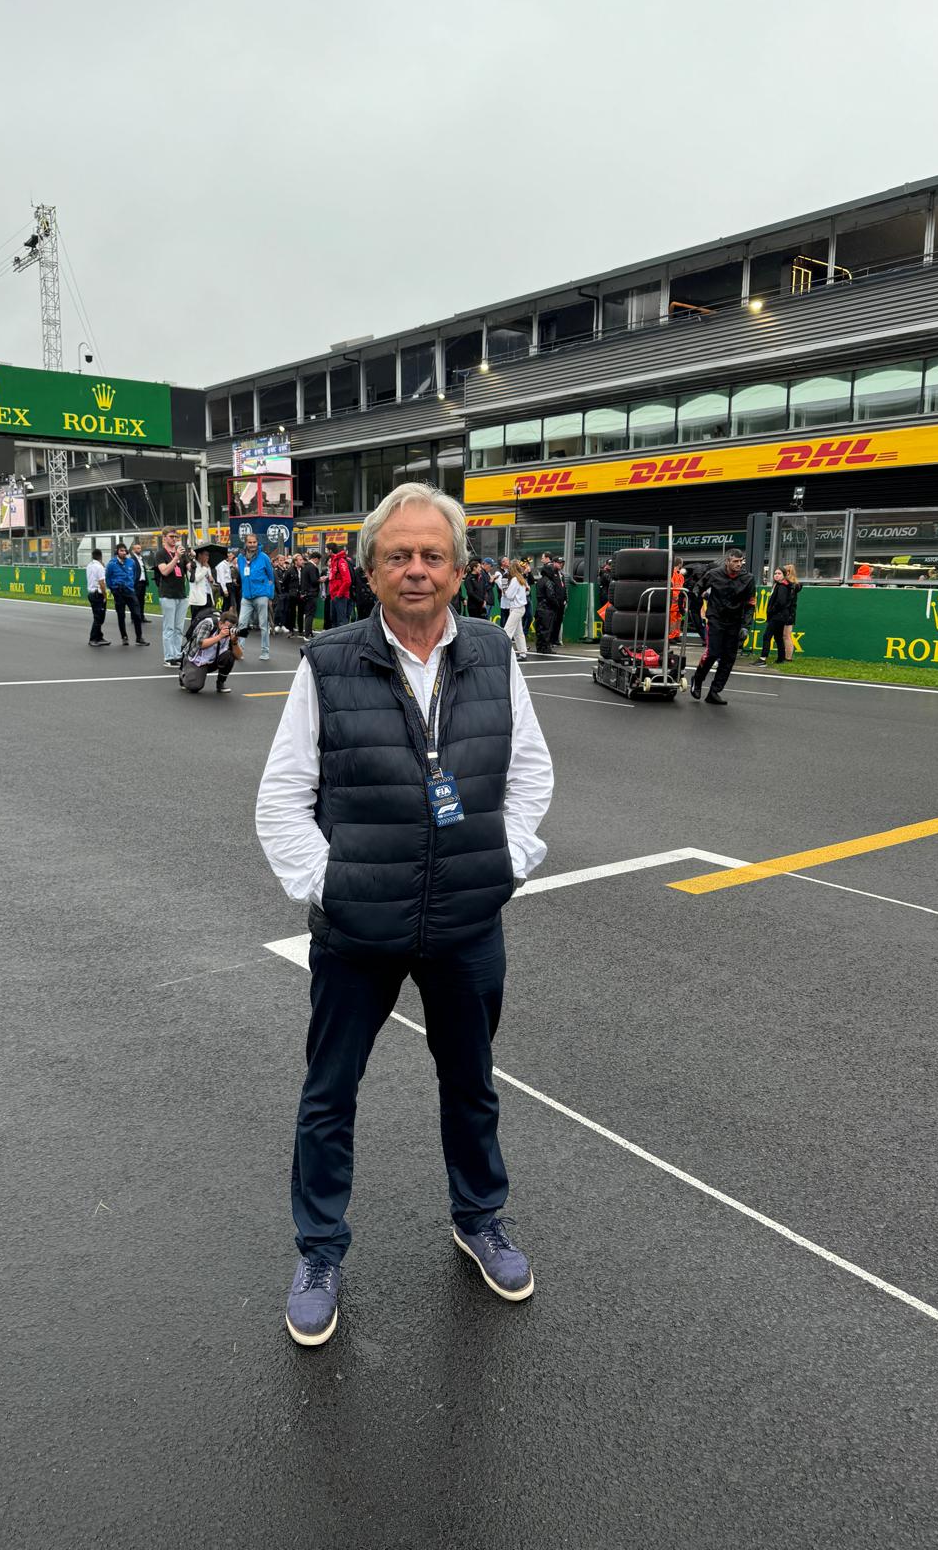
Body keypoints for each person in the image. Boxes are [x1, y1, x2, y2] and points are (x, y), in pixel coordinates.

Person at [256, 481, 553, 1347]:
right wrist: (334, 887)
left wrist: (505, 864)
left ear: (458, 570)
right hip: (358, 931)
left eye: (431, 555)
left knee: (471, 1084)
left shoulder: (494, 653)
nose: (415, 569)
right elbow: (282, 799)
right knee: (328, 1094)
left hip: (466, 923)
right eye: (398, 555)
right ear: (371, 570)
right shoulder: (327, 663)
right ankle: (319, 1252)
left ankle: (480, 1217)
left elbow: (530, 775)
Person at [689, 549, 756, 705]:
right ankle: (697, 679)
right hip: (716, 618)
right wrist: (698, 595)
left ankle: (714, 691)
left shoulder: (748, 578)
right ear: (727, 561)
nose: (739, 564)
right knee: (713, 653)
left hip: (735, 621)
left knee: (729, 658)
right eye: (735, 561)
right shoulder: (714, 574)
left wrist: (746, 626)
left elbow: (751, 604)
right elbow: (698, 587)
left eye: (741, 561)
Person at [179, 607, 238, 694]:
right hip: (196, 659)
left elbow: (239, 656)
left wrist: (234, 642)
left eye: (232, 627)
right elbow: (201, 644)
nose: (230, 629)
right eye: (228, 627)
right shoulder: (208, 623)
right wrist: (219, 636)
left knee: (229, 656)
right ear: (220, 623)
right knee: (194, 687)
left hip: (212, 658)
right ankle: (184, 675)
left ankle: (220, 683)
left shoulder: (229, 632)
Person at [152, 529, 189, 668]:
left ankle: (177, 654)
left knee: (179, 628)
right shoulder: (160, 554)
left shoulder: (181, 552)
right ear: (164, 538)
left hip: (181, 594)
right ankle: (169, 657)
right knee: (169, 628)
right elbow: (165, 571)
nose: (174, 539)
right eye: (171, 536)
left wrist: (193, 558)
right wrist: (176, 557)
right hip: (167, 594)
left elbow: (189, 568)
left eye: (176, 537)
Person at [237, 533, 275, 660]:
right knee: (242, 623)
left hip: (261, 595)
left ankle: (265, 652)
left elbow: (271, 578)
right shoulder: (240, 557)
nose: (252, 544)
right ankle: (240, 651)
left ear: (257, 543)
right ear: (246, 543)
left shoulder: (264, 557)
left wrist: (269, 595)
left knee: (263, 625)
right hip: (246, 596)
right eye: (250, 542)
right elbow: (242, 575)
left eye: (254, 542)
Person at [106, 543, 148, 647]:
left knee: (137, 614)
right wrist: (113, 589)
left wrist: (130, 585)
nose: (124, 552)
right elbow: (108, 578)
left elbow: (134, 575)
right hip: (118, 592)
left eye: (125, 551)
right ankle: (124, 637)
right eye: (121, 551)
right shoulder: (111, 564)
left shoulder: (131, 562)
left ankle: (139, 638)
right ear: (117, 552)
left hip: (130, 591)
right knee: (121, 615)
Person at [755, 566, 794, 666]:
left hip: (777, 616)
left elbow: (781, 602)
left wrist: (771, 610)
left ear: (784, 575)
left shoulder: (782, 586)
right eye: (775, 573)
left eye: (779, 573)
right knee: (778, 637)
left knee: (767, 636)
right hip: (780, 616)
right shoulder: (780, 585)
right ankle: (781, 658)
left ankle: (763, 659)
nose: (776, 575)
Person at [535, 556, 566, 653]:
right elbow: (551, 596)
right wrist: (556, 604)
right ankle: (546, 648)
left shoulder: (540, 581)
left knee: (540, 629)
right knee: (547, 629)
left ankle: (540, 647)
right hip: (547, 609)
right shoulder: (548, 582)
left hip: (539, 607)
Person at [502, 560, 530, 659]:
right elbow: (527, 591)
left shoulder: (514, 580)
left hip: (516, 608)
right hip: (521, 608)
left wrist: (504, 590)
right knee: (518, 633)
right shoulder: (521, 579)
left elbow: (509, 595)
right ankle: (523, 653)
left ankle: (504, 652)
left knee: (507, 630)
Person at [85, 548, 110, 647]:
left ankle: (99, 637)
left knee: (97, 616)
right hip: (98, 594)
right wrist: (105, 595)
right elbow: (102, 583)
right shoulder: (99, 567)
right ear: (101, 556)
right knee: (99, 618)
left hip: (91, 593)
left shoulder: (89, 565)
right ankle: (93, 639)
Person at [328, 542, 354, 628]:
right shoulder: (334, 561)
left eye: (327, 550)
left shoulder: (341, 561)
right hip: (334, 595)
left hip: (341, 596)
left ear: (330, 550)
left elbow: (347, 581)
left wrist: (338, 595)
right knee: (334, 620)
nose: (326, 552)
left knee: (341, 622)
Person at [188, 547, 216, 624]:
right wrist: (204, 568)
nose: (208, 557)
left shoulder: (207, 566)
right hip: (197, 598)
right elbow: (195, 579)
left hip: (208, 596)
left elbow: (210, 580)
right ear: (200, 555)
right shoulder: (193, 564)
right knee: (196, 621)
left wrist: (211, 579)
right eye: (206, 555)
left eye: (208, 555)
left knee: (207, 621)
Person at [297, 552, 320, 638]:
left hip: (306, 593)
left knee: (308, 613)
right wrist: (320, 580)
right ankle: (307, 634)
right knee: (310, 614)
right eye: (319, 560)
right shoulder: (312, 567)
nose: (319, 562)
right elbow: (314, 581)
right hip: (311, 593)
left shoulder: (305, 567)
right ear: (316, 559)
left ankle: (309, 632)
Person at [782, 564, 802, 660]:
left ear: (788, 572)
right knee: (786, 635)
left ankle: (788, 657)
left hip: (788, 613)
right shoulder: (792, 585)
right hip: (789, 612)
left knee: (787, 635)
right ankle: (786, 656)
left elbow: (788, 601)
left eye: (783, 572)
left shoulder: (791, 585)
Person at [129, 539, 151, 623]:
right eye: (138, 548)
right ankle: (134, 618)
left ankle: (142, 617)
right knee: (135, 601)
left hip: (142, 582)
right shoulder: (132, 559)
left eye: (140, 548)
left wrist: (146, 581)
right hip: (136, 583)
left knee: (142, 601)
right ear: (133, 550)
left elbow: (143, 570)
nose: (140, 550)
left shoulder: (141, 559)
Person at [216, 549, 242, 615]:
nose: (231, 558)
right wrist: (225, 589)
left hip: (231, 585)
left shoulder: (230, 564)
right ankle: (223, 616)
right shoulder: (222, 565)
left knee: (231, 603)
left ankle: (230, 616)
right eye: (230, 556)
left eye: (232, 556)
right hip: (225, 585)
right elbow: (222, 578)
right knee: (227, 603)